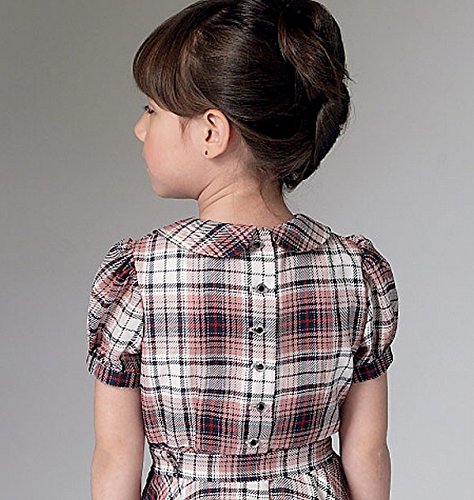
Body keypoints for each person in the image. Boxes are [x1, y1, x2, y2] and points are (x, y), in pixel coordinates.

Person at [85, 1, 400, 499]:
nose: (140, 128)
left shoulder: (140, 276)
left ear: (211, 132)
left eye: (151, 110)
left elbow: (116, 455)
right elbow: (367, 451)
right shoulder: (355, 272)